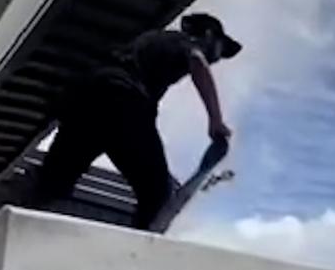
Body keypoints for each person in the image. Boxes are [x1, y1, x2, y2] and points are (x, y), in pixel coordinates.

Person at [35, 13, 241, 229]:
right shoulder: (183, 41)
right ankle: (137, 252)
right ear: (208, 35)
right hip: (123, 101)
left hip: (84, 102)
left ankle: (22, 229)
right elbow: (197, 60)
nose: (217, 59)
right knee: (158, 194)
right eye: (220, 49)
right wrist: (215, 120)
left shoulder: (150, 42)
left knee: (50, 185)